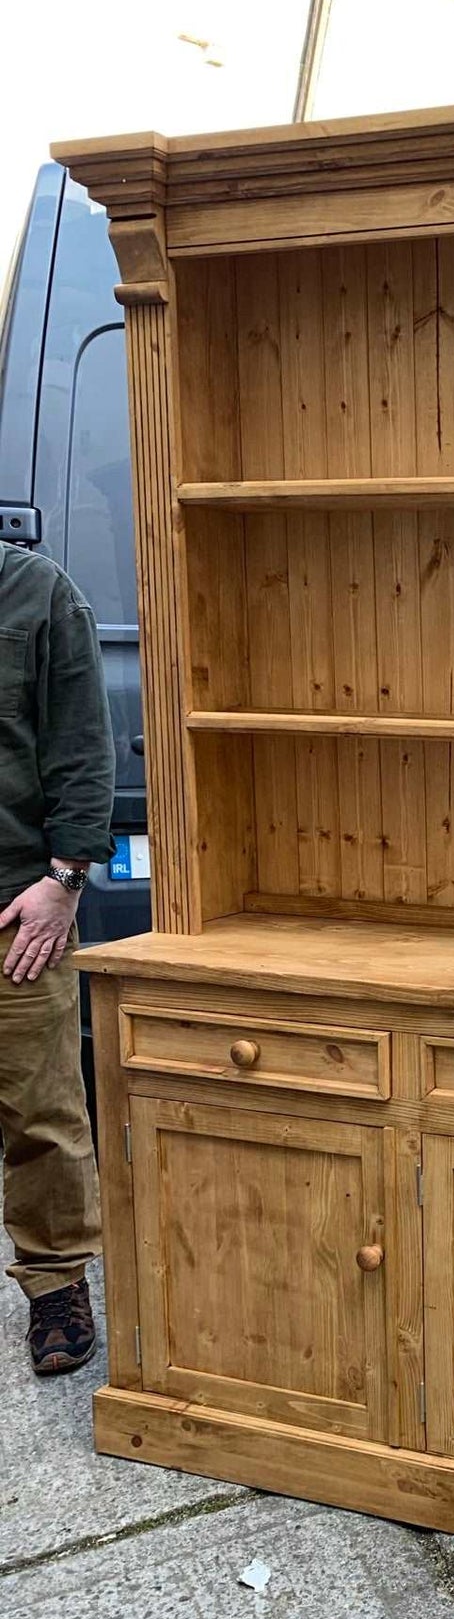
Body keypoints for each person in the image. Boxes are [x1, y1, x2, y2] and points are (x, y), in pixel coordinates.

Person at [0, 536, 114, 1373]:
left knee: (42, 1109)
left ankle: (55, 1283)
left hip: (15, 906)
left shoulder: (38, 592)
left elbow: (82, 746)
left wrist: (64, 879)